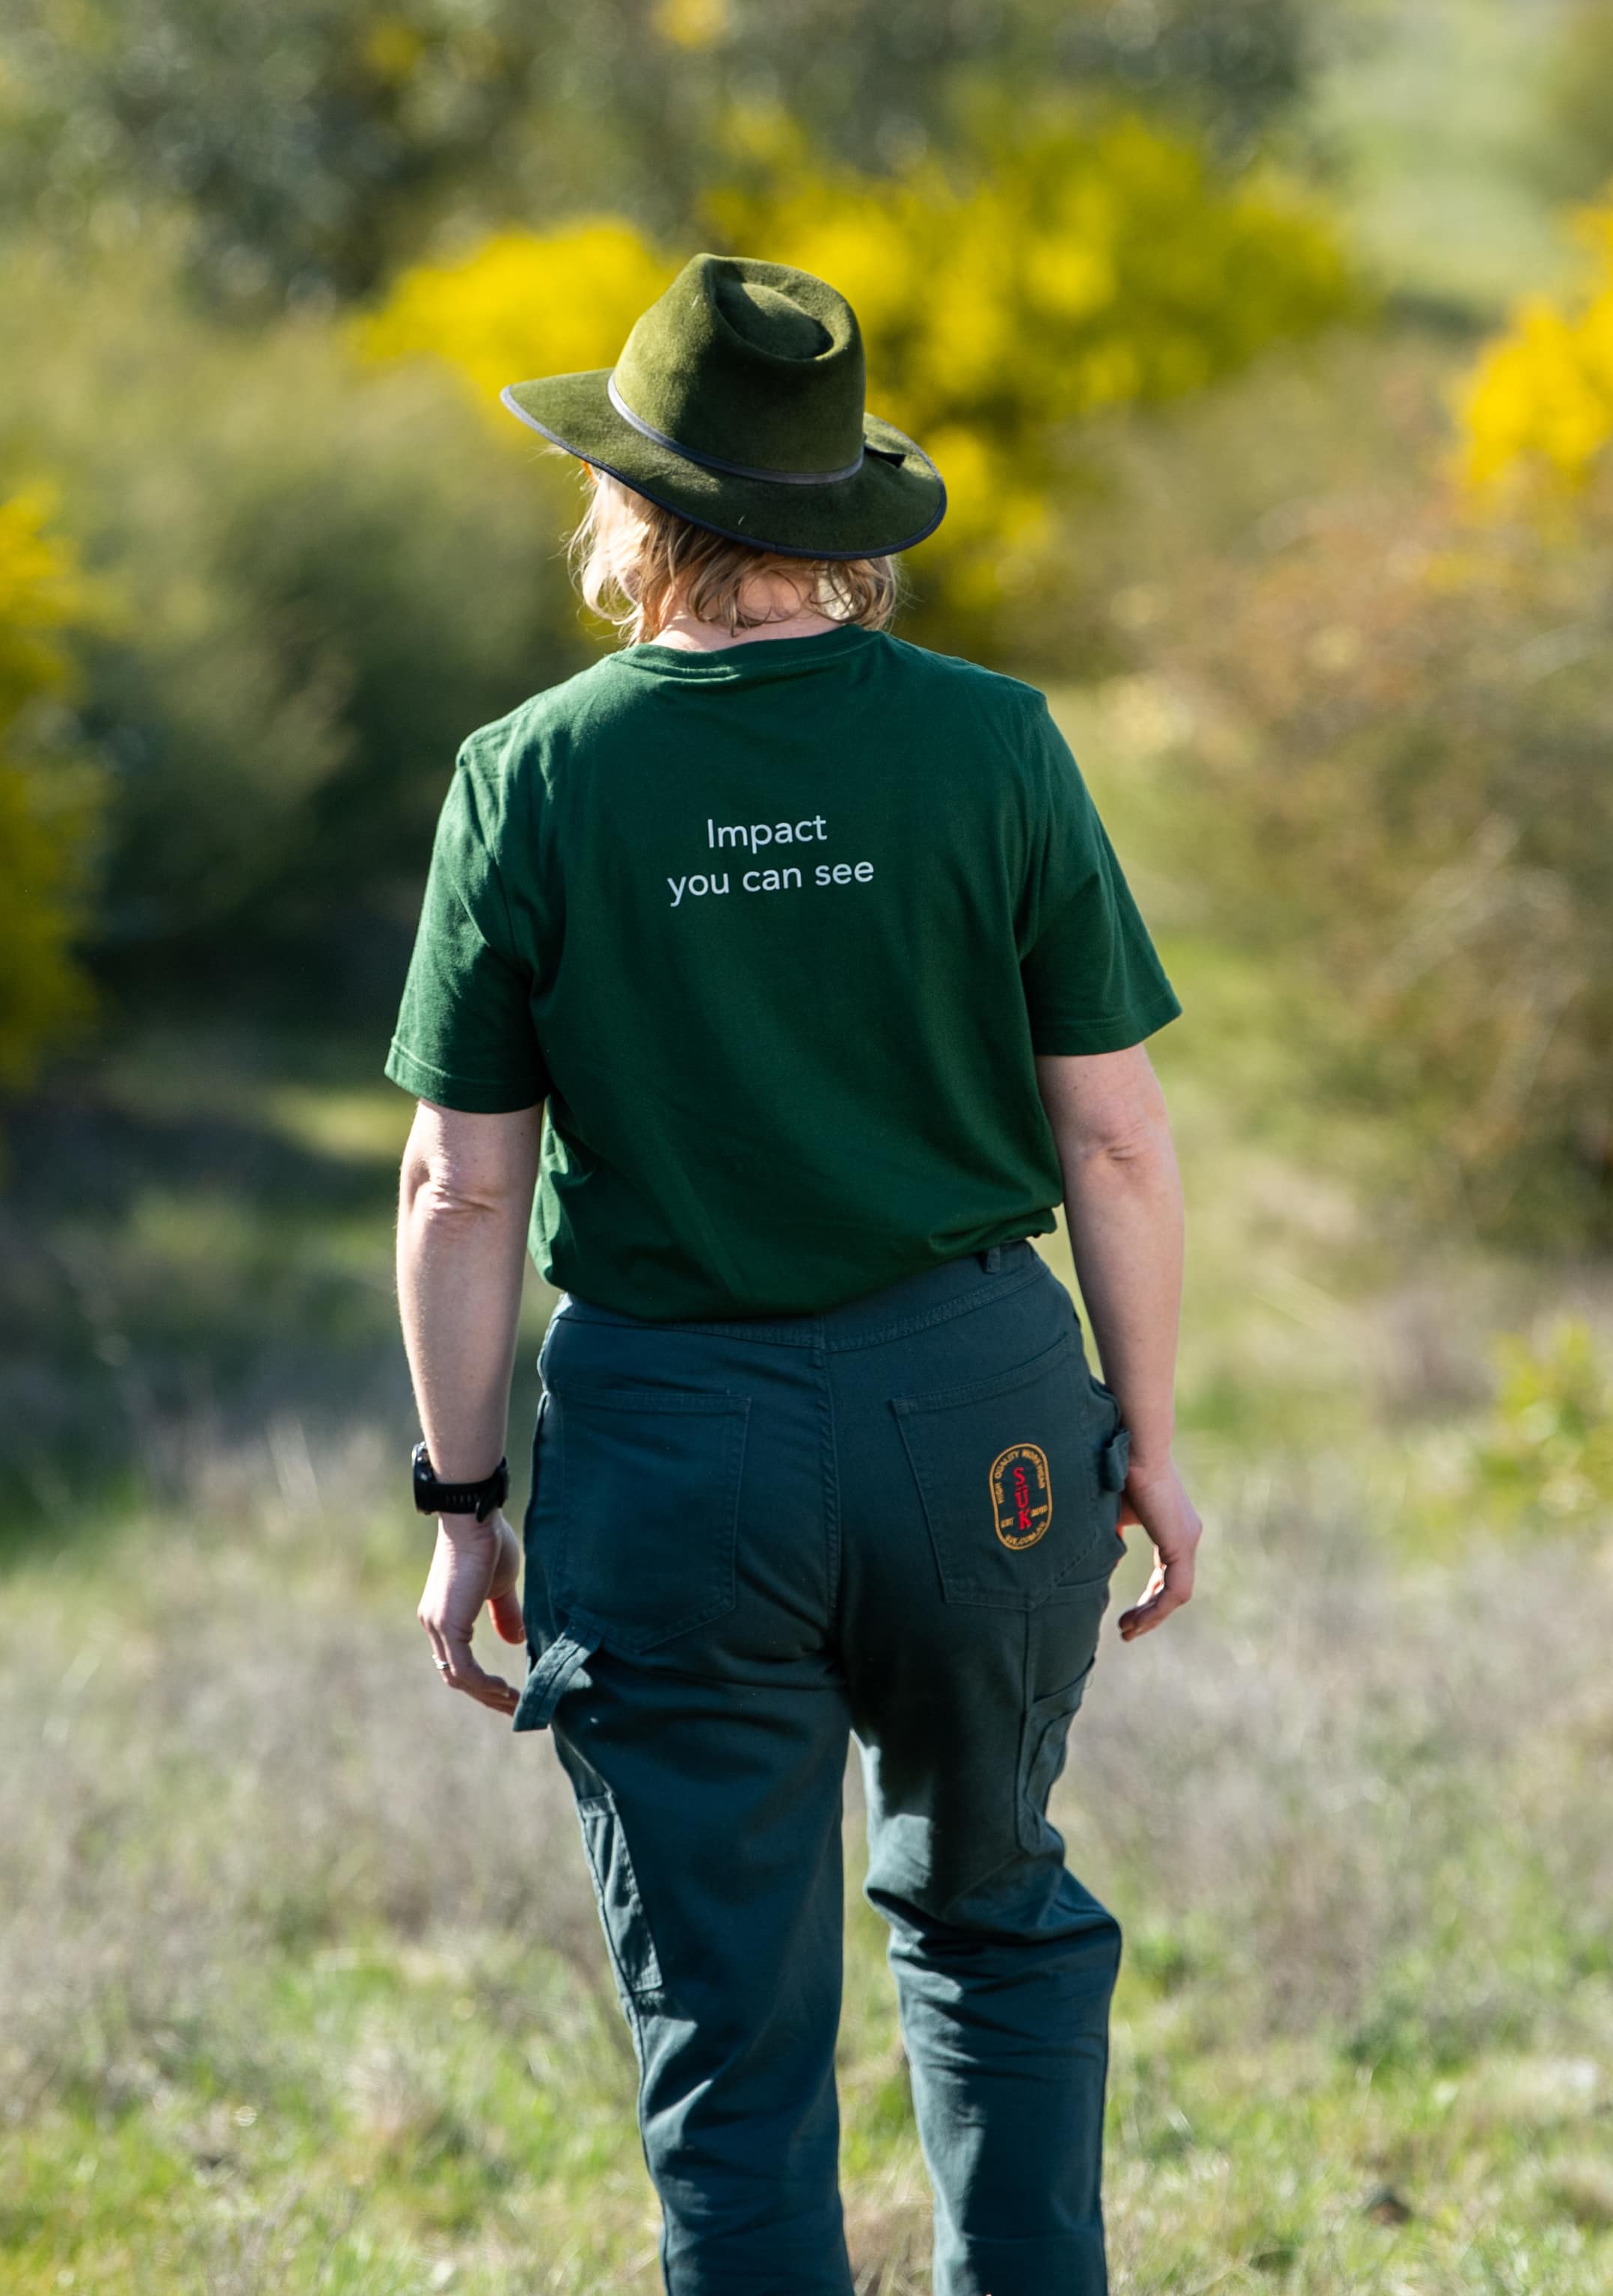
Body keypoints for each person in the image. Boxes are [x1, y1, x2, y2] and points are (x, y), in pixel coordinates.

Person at [387, 250, 1205, 2296]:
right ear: (840, 523)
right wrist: (1155, 1446)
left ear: (636, 509)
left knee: (729, 2057)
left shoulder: (533, 775)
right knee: (997, 1917)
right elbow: (1112, 1132)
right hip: (985, 1422)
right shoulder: (997, 746)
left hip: (674, 1448)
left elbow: (459, 1192)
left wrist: (466, 1504)